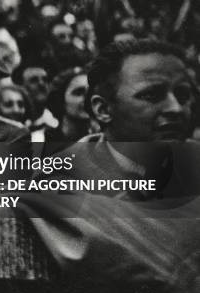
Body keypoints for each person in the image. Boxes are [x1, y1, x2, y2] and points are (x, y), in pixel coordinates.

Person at [50, 39, 198, 199]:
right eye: (152, 95)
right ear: (103, 110)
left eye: (183, 95)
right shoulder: (59, 185)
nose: (175, 108)